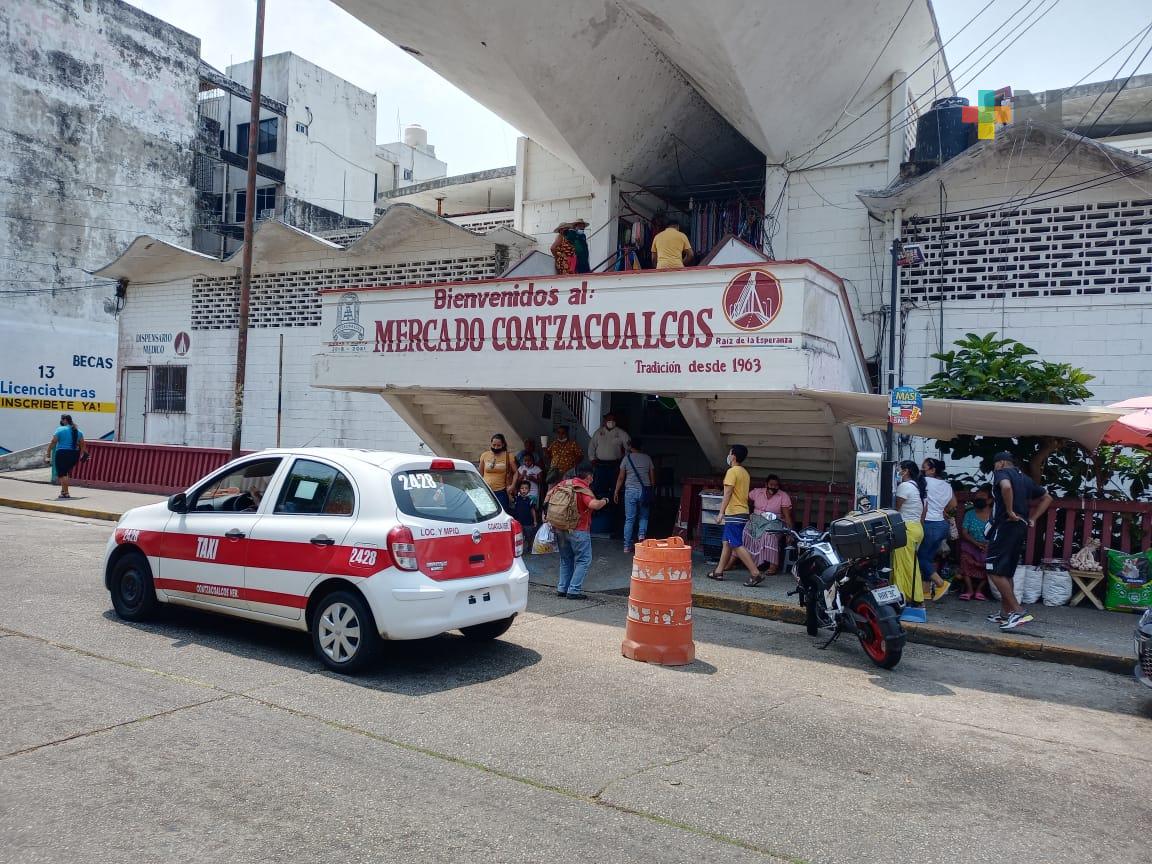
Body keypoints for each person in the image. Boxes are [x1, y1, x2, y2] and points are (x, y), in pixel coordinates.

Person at [986, 451, 1053, 631]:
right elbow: (1048, 497)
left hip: (1005, 525)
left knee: (993, 570)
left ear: (1000, 463)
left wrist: (1008, 510)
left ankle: (1018, 611)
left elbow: (1006, 488)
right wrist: (1033, 518)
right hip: (1020, 526)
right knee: (1006, 571)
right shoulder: (1025, 479)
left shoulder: (1002, 473)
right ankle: (1005, 613)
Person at [547, 462, 608, 599]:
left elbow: (548, 496)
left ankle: (562, 588)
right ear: (589, 477)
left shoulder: (563, 484)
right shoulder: (582, 488)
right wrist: (605, 500)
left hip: (559, 527)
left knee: (565, 559)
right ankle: (573, 590)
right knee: (583, 560)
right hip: (578, 529)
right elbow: (594, 505)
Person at [705, 445, 762, 587]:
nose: (728, 456)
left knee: (735, 543)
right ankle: (718, 571)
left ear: (734, 456)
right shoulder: (744, 472)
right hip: (742, 511)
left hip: (734, 512)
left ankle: (755, 573)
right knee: (727, 542)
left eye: (730, 453)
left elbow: (728, 494)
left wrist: (720, 513)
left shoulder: (732, 472)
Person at [919, 458, 958, 601]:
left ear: (932, 470)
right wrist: (942, 510)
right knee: (928, 557)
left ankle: (941, 583)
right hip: (942, 525)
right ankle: (925, 592)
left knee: (921, 558)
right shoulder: (947, 485)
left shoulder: (924, 482)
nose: (921, 470)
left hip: (929, 524)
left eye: (924, 467)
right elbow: (953, 504)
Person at [892, 461, 926, 605]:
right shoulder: (916, 486)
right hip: (916, 528)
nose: (897, 473)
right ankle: (913, 596)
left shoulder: (904, 486)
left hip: (906, 529)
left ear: (905, 471)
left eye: (899, 470)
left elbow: (895, 510)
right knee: (910, 564)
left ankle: (905, 597)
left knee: (902, 566)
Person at [614, 438, 655, 554]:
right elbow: (652, 477)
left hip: (630, 491)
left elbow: (621, 477)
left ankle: (627, 546)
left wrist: (616, 491)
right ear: (641, 447)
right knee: (643, 517)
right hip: (644, 490)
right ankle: (641, 537)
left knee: (629, 519)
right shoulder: (647, 458)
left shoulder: (626, 459)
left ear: (630, 447)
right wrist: (652, 489)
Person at [746, 474, 793, 575]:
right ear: (766, 484)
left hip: (774, 522)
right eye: (771, 484)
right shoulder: (757, 492)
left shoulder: (783, 496)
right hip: (756, 520)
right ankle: (749, 563)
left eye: (776, 485)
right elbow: (744, 499)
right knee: (746, 531)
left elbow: (787, 516)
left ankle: (773, 566)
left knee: (769, 534)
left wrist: (790, 532)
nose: (773, 487)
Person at [958, 485, 993, 601]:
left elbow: (998, 533)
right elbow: (964, 532)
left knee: (991, 563)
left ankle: (979, 590)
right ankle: (969, 590)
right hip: (971, 545)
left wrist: (988, 545)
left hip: (989, 547)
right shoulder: (970, 514)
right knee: (964, 558)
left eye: (982, 498)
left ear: (989, 500)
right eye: (977, 498)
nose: (978, 500)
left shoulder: (994, 515)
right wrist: (976, 543)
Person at [44, 413, 88, 500]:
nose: (61, 421)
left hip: (62, 453)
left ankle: (66, 492)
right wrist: (84, 454)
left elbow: (53, 442)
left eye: (62, 420)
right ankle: (63, 492)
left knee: (62, 474)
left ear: (65, 420)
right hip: (74, 455)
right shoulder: (78, 431)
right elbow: (83, 445)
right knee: (65, 473)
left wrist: (48, 453)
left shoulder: (60, 429)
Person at [589, 413, 630, 501]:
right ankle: (599, 505)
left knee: (614, 486)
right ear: (605, 421)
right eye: (608, 420)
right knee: (599, 486)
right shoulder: (598, 432)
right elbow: (592, 446)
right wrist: (592, 459)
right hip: (600, 465)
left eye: (612, 420)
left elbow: (629, 448)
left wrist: (625, 461)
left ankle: (613, 504)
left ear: (615, 421)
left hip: (615, 465)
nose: (610, 422)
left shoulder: (621, 433)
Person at [478, 434, 516, 511]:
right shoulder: (484, 455)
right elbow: (480, 474)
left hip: (501, 492)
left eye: (498, 445)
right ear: (491, 444)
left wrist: (512, 485)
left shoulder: (508, 456)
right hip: (487, 491)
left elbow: (516, 472)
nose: (496, 447)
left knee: (501, 513)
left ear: (503, 445)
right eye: (494, 445)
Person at [509, 480, 540, 547]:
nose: (524, 490)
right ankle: (520, 548)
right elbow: (510, 499)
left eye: (526, 488)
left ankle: (530, 546)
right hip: (518, 521)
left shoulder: (530, 499)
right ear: (519, 490)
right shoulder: (516, 498)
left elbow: (533, 510)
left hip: (528, 522)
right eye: (522, 488)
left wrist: (535, 521)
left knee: (529, 535)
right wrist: (509, 491)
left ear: (529, 490)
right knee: (519, 536)